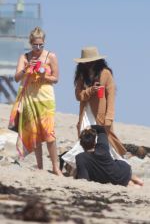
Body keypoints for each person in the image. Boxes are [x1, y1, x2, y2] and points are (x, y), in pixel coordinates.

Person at [9, 26, 62, 175]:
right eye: (35, 45)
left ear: (44, 42)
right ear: (30, 43)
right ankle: (40, 166)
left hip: (46, 97)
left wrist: (45, 76)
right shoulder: (25, 57)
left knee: (49, 133)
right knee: (35, 134)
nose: (38, 48)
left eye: (41, 45)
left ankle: (55, 167)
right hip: (30, 97)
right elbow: (16, 78)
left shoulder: (50, 56)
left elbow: (56, 78)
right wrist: (26, 69)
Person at [62, 46, 126, 168]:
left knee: (103, 141)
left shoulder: (105, 73)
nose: (88, 64)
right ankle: (85, 166)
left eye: (90, 61)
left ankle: (107, 167)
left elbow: (111, 96)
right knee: (85, 139)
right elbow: (78, 96)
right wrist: (91, 90)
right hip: (86, 113)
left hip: (100, 115)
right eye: (86, 61)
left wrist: (109, 117)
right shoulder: (82, 75)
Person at [76, 125, 144, 187]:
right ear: (95, 142)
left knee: (124, 181)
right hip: (118, 173)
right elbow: (101, 130)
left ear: (81, 144)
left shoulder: (80, 158)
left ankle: (134, 185)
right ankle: (138, 181)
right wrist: (89, 126)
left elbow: (83, 178)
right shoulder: (101, 147)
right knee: (121, 169)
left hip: (105, 179)